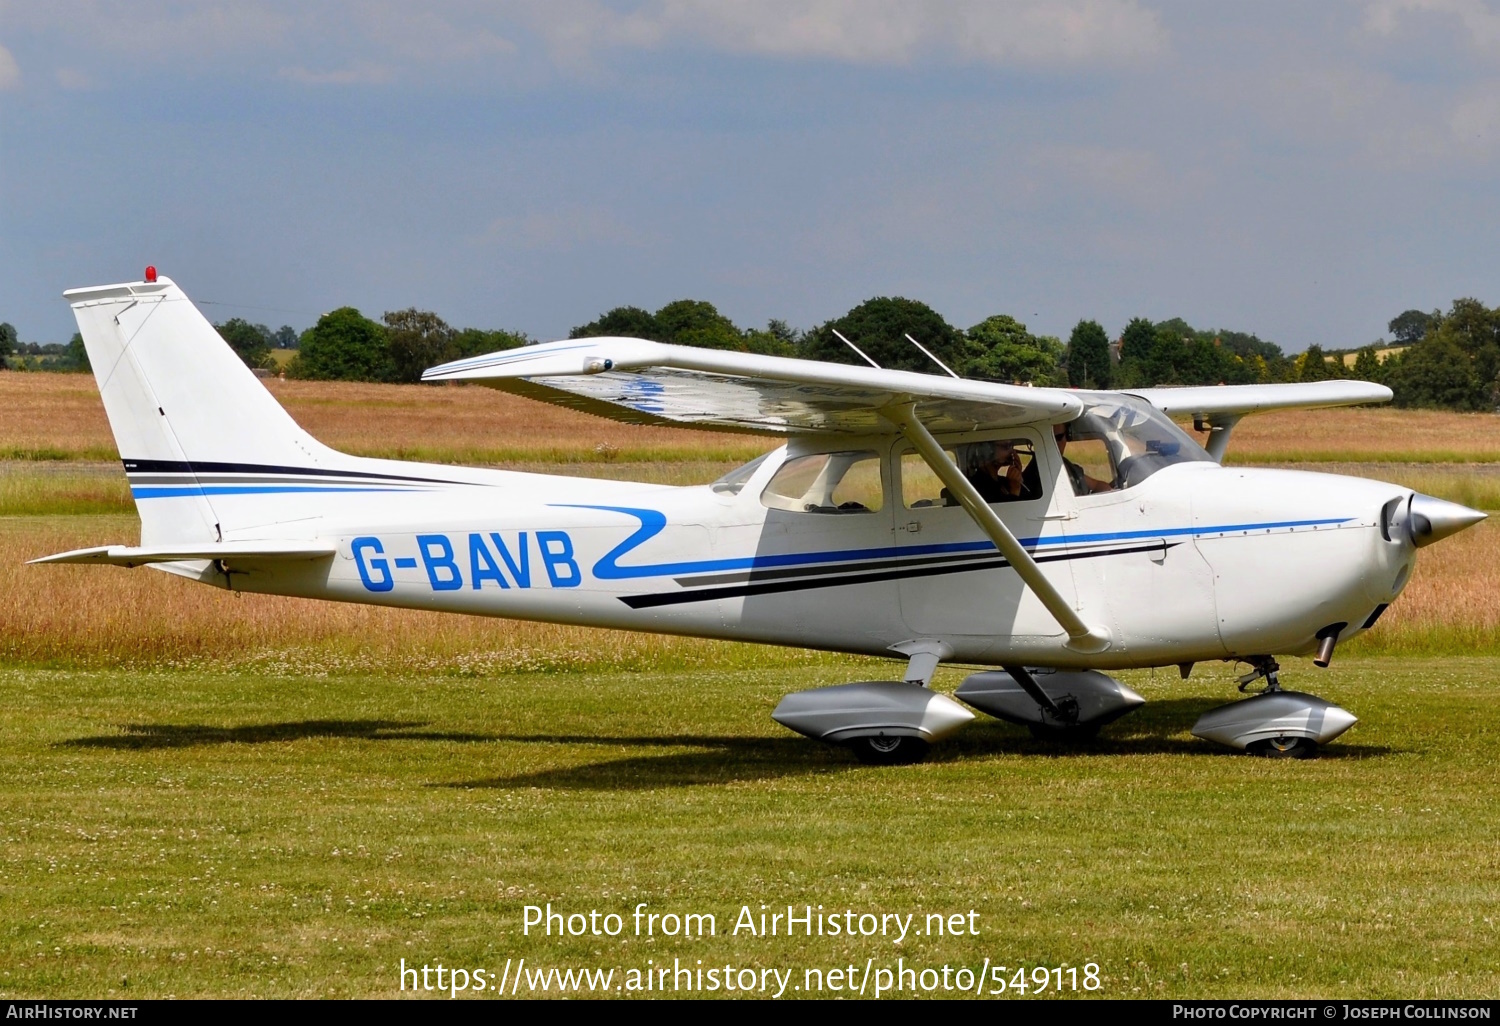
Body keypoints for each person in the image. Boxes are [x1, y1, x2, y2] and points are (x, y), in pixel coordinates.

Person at [959, 438, 1040, 503]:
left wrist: (1018, 478)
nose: (1012, 451)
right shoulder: (976, 487)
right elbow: (1007, 515)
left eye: (1011, 446)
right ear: (987, 450)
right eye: (1006, 446)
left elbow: (1029, 497)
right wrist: (1015, 489)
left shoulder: (1003, 481)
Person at [1053, 421, 1114, 495]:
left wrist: (1110, 492)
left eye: (1058, 438)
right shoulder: (1037, 474)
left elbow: (1096, 485)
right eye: (1052, 438)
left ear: (1067, 436)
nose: (1054, 443)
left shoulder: (1069, 467)